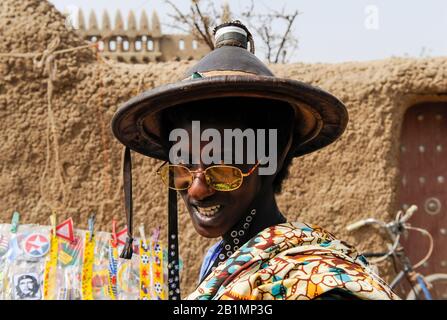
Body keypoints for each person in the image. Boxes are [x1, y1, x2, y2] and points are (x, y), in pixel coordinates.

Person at [111, 21, 399, 300]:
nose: (197, 190)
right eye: (184, 167)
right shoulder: (222, 260)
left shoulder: (318, 284)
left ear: (272, 156)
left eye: (222, 167)